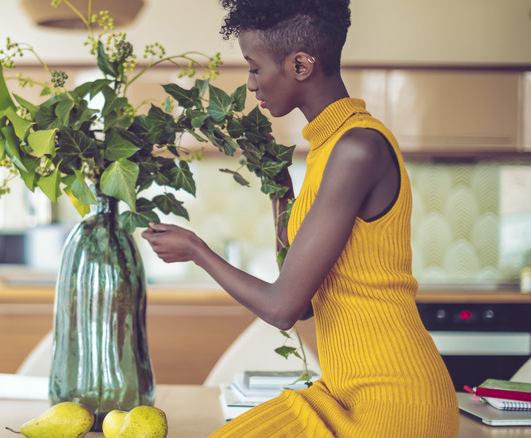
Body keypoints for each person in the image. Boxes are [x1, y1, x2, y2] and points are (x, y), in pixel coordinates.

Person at [140, 0, 460, 436]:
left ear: (301, 64)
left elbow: (283, 308)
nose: (251, 84)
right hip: (343, 394)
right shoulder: (327, 150)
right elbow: (307, 302)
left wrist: (198, 251)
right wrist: (280, 193)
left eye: (254, 68)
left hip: (392, 402)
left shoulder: (356, 148)